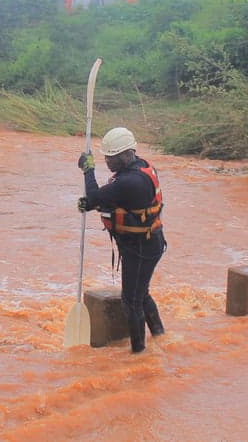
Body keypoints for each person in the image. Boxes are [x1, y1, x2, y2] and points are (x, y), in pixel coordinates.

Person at [77, 127, 166, 354]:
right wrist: (93, 204)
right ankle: (160, 336)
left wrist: (88, 170)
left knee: (131, 300)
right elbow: (111, 201)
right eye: (106, 156)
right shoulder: (137, 168)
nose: (108, 161)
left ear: (127, 154)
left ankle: (138, 352)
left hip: (141, 248)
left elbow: (95, 196)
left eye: (112, 157)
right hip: (145, 242)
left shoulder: (131, 181)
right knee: (140, 294)